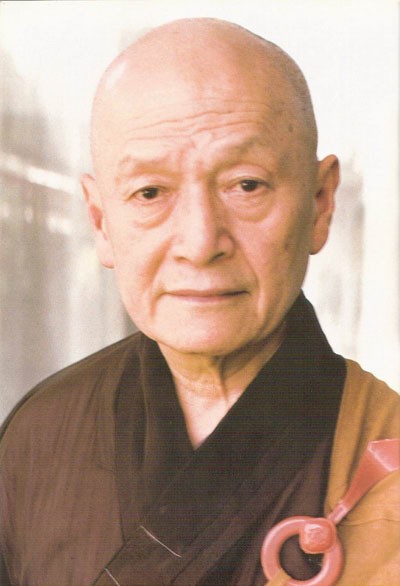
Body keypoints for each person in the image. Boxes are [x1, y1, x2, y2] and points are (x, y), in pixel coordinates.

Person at [0, 18, 398, 586]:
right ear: (101, 221)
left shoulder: (387, 458)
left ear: (320, 202)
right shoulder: (38, 436)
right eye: (150, 193)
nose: (200, 242)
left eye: (246, 185)